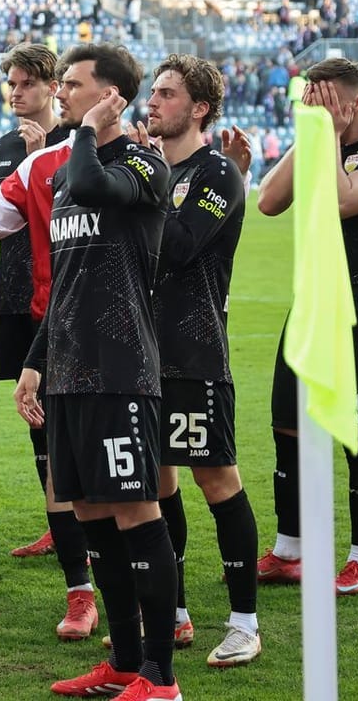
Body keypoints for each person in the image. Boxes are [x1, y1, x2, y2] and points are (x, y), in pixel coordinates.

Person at [10, 43, 186, 700]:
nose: (64, 94)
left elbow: (90, 182)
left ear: (113, 96)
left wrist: (85, 132)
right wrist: (35, 363)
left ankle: (161, 680)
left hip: (120, 370)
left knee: (137, 510)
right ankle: (122, 663)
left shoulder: (143, 165)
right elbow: (68, 282)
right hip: (69, 374)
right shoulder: (68, 174)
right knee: (89, 512)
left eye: (77, 86)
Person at [256, 59, 358, 597]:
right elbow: (269, 202)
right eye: (311, 99)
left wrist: (326, 136)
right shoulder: (320, 140)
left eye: (328, 101)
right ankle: (289, 550)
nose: (317, 109)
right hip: (309, 307)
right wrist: (313, 131)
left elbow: (345, 200)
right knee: (288, 430)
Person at [137, 55, 263, 667]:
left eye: (167, 94)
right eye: (153, 92)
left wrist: (145, 183)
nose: (153, 102)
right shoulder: (154, 168)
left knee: (217, 482)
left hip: (193, 352)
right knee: (157, 482)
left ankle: (244, 622)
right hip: (138, 352)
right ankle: (177, 612)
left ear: (200, 109)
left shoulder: (217, 173)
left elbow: (178, 248)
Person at [0, 43, 84, 579]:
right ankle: (58, 518)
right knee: (34, 414)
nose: (16, 93)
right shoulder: (2, 146)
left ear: (52, 86)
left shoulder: (76, 144)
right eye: (11, 84)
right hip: (13, 293)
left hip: (64, 299)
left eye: (26, 84)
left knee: (68, 414)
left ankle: (77, 519)